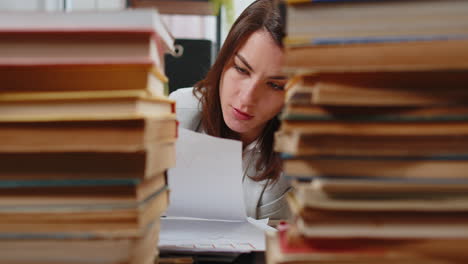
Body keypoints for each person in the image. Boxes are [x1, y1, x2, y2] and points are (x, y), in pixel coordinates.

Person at [169, 0, 291, 220]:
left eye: (275, 85)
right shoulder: (177, 112)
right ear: (224, 60)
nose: (247, 98)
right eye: (242, 69)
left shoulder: (294, 158)